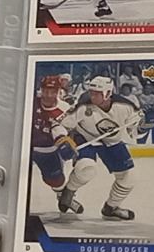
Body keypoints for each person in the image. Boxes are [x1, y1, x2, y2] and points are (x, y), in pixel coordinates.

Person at [55, 75, 145, 220]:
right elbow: (61, 124)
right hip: (85, 137)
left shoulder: (126, 106)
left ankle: (111, 207)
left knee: (129, 177)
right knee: (87, 168)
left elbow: (136, 132)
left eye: (97, 93)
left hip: (112, 141)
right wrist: (63, 139)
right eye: (91, 92)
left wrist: (146, 126)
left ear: (108, 93)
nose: (92, 96)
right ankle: (68, 192)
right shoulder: (83, 105)